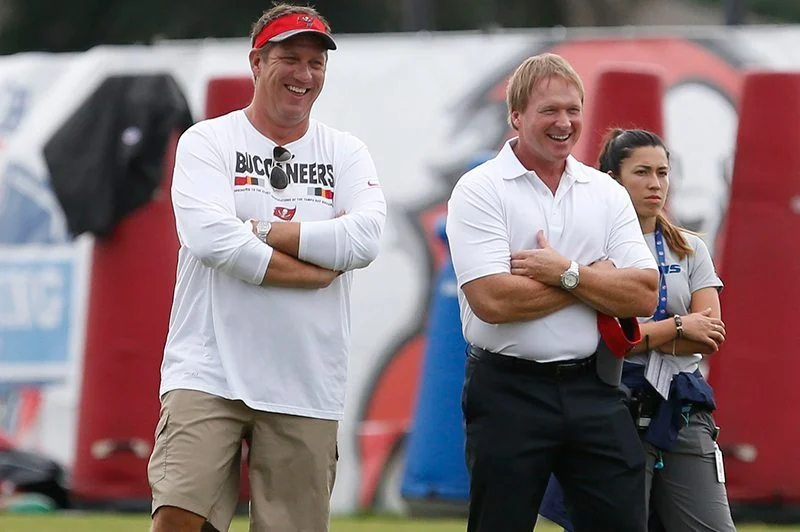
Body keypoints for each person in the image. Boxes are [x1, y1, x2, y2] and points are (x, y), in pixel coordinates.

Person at [146, 4, 387, 532]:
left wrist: (257, 230)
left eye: (316, 63)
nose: (304, 74)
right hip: (208, 370)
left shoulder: (346, 153)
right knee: (177, 519)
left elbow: (364, 239)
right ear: (257, 62)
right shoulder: (208, 141)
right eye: (289, 59)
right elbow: (210, 239)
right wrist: (310, 265)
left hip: (305, 377)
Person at [444, 53, 659, 532]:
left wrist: (563, 273)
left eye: (573, 110)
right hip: (507, 390)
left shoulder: (605, 193)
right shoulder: (479, 189)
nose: (565, 123)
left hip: (594, 389)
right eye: (549, 111)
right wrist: (595, 279)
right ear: (516, 116)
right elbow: (493, 301)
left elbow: (644, 293)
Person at [539, 128, 735, 531]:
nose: (656, 184)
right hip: (612, 407)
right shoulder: (587, 248)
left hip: (681, 408)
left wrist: (643, 334)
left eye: (663, 173)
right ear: (612, 179)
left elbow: (709, 335)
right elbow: (605, 340)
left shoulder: (689, 248)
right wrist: (679, 325)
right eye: (642, 172)